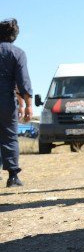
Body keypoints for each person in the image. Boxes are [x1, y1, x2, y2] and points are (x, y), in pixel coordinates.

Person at [0, 18, 32, 188]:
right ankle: (12, 176)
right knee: (10, 137)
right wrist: (27, 105)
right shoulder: (17, 53)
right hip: (6, 101)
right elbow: (22, 82)